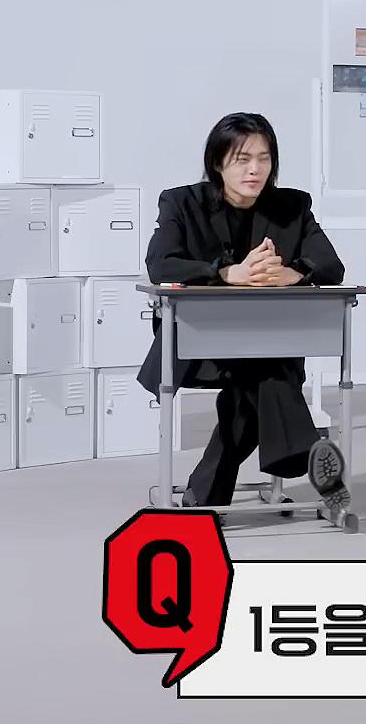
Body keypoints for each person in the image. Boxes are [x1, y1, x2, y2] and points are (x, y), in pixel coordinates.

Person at [139, 112, 351, 520]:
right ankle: (301, 451)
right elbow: (160, 265)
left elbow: (331, 265)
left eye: (264, 159)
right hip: (199, 342)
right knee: (271, 371)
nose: (255, 169)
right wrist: (226, 273)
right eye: (242, 159)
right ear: (218, 162)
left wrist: (293, 273)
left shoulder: (292, 206)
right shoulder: (182, 203)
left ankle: (204, 494)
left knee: (257, 378)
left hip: (266, 338)